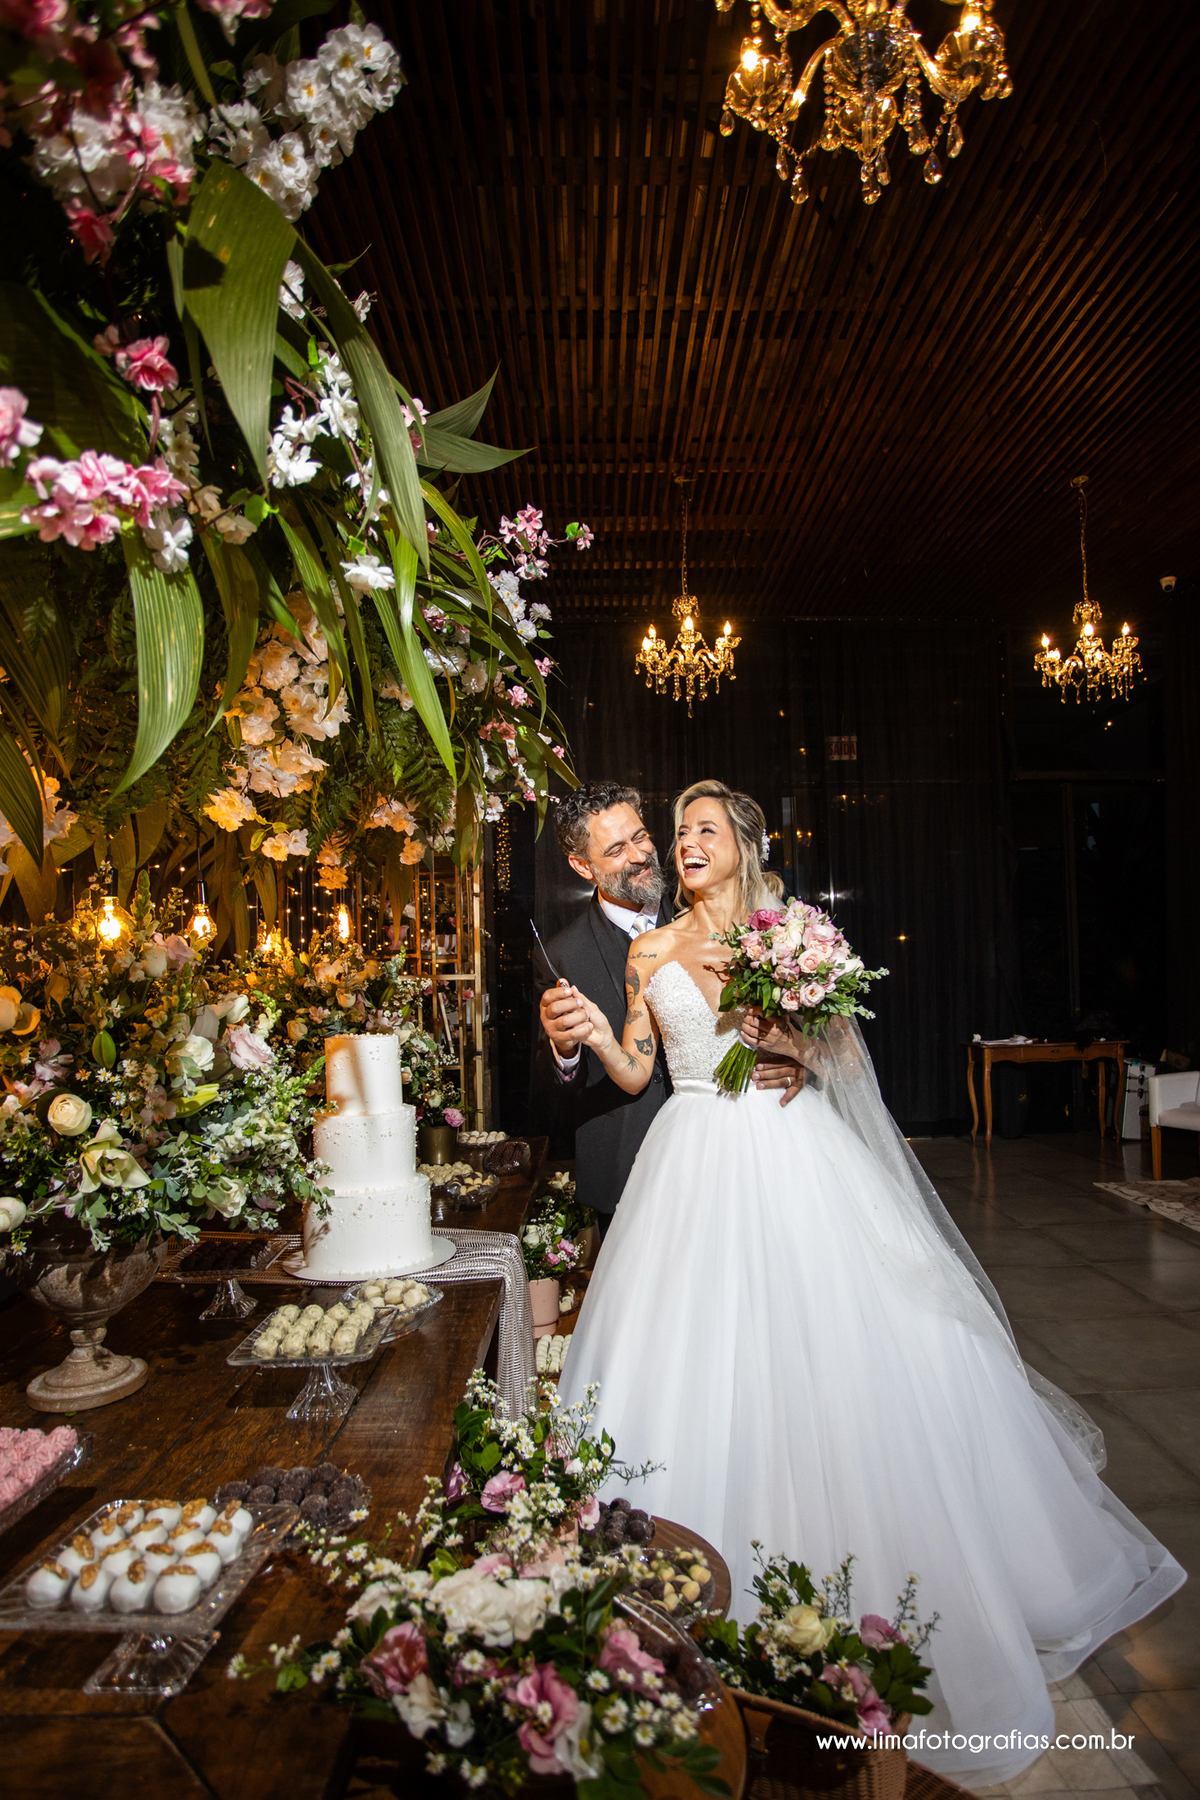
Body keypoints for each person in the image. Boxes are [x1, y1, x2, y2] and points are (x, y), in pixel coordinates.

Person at [557, 777, 1184, 1787]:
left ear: (745, 844)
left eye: (704, 829)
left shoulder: (790, 935)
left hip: (792, 1155)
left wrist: (793, 1049)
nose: (684, 844)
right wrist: (592, 1031)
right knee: (699, 1358)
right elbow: (638, 1071)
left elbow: (837, 1048)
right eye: (677, 832)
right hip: (690, 1162)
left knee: (847, 1353)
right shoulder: (649, 950)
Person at [538, 782, 803, 1240]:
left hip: (765, 1146)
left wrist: (795, 1057)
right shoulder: (562, 954)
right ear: (583, 866)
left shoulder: (750, 918)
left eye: (641, 837)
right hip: (635, 1169)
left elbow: (808, 1028)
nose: (640, 855)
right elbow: (553, 1091)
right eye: (616, 849)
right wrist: (567, 1048)